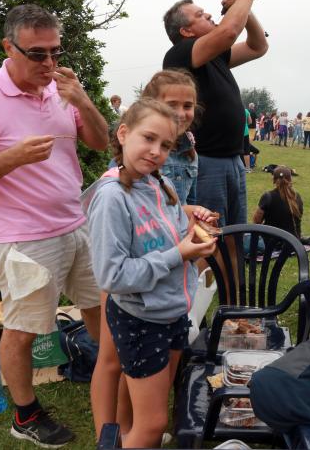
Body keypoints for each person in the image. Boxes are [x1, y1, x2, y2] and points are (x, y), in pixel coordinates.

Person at [0, 4, 109, 447]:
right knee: (22, 327)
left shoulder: (61, 89)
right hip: (22, 238)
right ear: (8, 47)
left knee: (98, 307)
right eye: (38, 54)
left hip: (75, 223)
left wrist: (82, 100)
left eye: (56, 52)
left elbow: (100, 141)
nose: (49, 64)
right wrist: (14, 156)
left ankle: (110, 378)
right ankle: (25, 414)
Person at [86, 98, 217, 448]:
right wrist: (179, 253)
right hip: (141, 319)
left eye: (166, 145)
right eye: (148, 138)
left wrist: (195, 239)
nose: (156, 151)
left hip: (172, 311)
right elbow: (112, 277)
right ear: (124, 133)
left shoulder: (159, 185)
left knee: (156, 418)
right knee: (153, 422)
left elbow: (172, 241)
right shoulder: (112, 198)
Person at [161, 0, 268, 229]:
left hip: (232, 159)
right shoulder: (180, 54)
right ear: (185, 31)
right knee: (211, 237)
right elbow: (229, 32)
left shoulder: (215, 56)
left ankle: (233, 274)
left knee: (233, 235)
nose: (208, 13)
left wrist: (244, 5)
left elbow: (258, 46)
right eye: (199, 15)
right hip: (206, 162)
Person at [140, 69, 199, 205]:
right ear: (149, 107)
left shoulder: (191, 155)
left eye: (187, 106)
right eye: (171, 105)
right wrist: (182, 213)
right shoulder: (137, 152)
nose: (180, 114)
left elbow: (190, 202)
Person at [252, 165, 303, 240]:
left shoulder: (268, 196)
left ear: (274, 179)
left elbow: (257, 221)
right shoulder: (297, 197)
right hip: (293, 242)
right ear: (290, 179)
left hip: (271, 241)